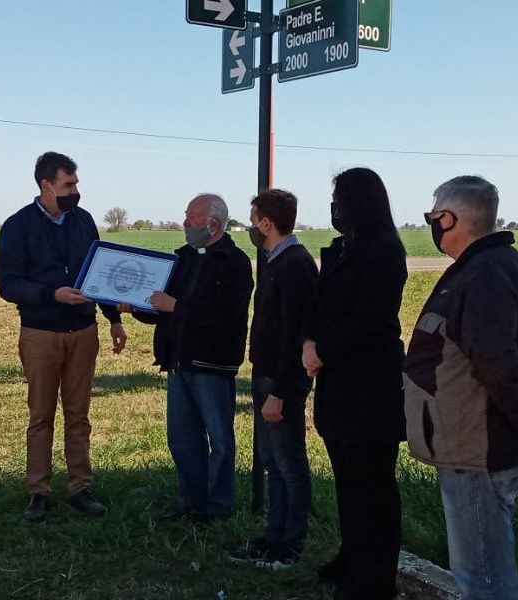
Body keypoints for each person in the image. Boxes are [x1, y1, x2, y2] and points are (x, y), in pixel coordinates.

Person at [404, 176, 518, 600]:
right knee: (481, 570)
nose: (431, 226)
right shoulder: (491, 267)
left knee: (482, 578)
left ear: (449, 218)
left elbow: (500, 362)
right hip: (470, 444)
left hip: (477, 449)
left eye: (432, 217)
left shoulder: (485, 274)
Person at [0, 151, 128, 522]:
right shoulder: (17, 226)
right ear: (46, 185)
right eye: (68, 184)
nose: (75, 191)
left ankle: (80, 488)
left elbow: (99, 273)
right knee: (41, 415)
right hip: (40, 332)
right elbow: (8, 284)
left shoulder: (83, 221)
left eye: (76, 183)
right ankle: (38, 491)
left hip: (83, 331)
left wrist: (113, 319)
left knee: (78, 414)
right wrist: (49, 294)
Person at [301, 168, 408, 600]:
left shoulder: (384, 252)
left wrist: (322, 350)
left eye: (339, 199)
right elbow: (319, 303)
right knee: (347, 481)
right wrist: (309, 340)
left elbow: (370, 317)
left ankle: (374, 579)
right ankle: (351, 559)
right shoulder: (344, 250)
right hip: (338, 386)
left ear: (360, 203)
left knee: (373, 488)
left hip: (369, 387)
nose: (334, 208)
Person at [122, 193, 253, 522]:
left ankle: (219, 508)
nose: (185, 224)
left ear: (213, 224)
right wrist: (135, 305)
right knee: (182, 437)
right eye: (186, 216)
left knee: (219, 440)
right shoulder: (182, 259)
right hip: (179, 360)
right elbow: (161, 309)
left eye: (192, 218)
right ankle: (191, 502)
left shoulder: (234, 262)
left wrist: (175, 306)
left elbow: (226, 314)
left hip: (212, 363)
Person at [230, 189, 318, 568]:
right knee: (272, 462)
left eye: (253, 220)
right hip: (267, 376)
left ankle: (290, 546)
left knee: (289, 463)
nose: (251, 227)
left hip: (281, 382)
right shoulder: (275, 260)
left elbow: (294, 335)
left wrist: (280, 392)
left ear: (266, 223)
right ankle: (273, 536)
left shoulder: (294, 265)